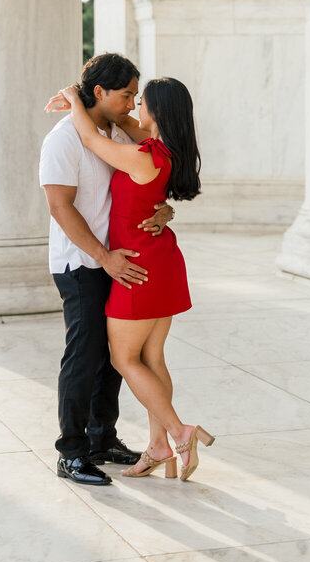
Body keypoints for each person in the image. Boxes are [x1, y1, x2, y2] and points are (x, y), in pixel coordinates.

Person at [58, 75, 215, 482]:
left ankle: (180, 432)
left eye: (140, 101)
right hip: (160, 263)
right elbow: (123, 127)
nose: (133, 107)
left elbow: (92, 141)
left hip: (138, 269)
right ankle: (159, 445)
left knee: (123, 359)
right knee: (151, 358)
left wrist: (73, 99)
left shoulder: (144, 157)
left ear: (156, 112)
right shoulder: (162, 150)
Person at [39, 52, 174, 486]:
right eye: (127, 94)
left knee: (113, 359)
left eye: (138, 96)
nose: (134, 103)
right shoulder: (63, 140)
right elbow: (60, 208)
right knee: (83, 356)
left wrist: (163, 211)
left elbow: (146, 183)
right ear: (99, 91)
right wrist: (103, 256)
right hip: (82, 263)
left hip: (117, 261)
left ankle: (102, 439)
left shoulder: (116, 132)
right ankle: (71, 453)